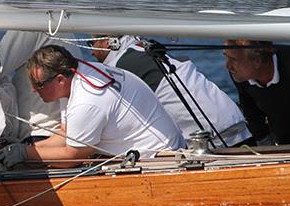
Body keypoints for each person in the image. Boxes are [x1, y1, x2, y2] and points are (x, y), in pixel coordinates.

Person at [0, 45, 184, 168]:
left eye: (39, 85)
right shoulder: (77, 74)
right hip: (153, 150)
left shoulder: (86, 101)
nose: (34, 91)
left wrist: (26, 154)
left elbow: (73, 155)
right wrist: (25, 148)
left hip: (156, 160)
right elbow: (66, 133)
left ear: (59, 79)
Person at [92, 35, 251, 147]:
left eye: (91, 42)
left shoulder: (119, 68)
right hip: (237, 123)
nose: (91, 51)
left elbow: (106, 118)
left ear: (106, 41)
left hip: (214, 140)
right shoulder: (145, 47)